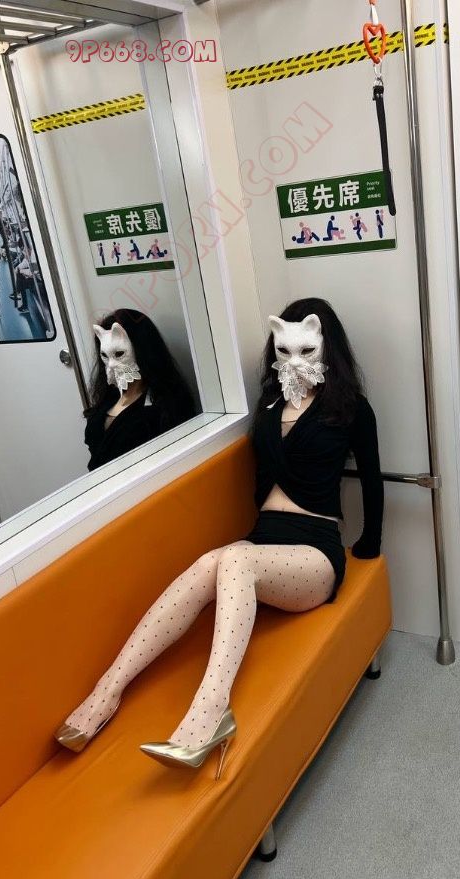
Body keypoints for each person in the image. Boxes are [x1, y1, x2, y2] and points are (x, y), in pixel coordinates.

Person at [55, 297, 384, 778]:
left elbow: (372, 479)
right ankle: (107, 692)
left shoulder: (351, 409)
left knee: (234, 559)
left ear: (326, 346)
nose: (293, 360)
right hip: (263, 543)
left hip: (315, 554)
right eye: (284, 349)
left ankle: (210, 711)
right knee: (215, 559)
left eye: (305, 349)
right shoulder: (270, 403)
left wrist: (370, 544)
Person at [83, 308, 197, 472]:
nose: (111, 364)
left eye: (119, 353)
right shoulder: (108, 399)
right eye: (105, 356)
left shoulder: (164, 408)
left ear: (143, 351)